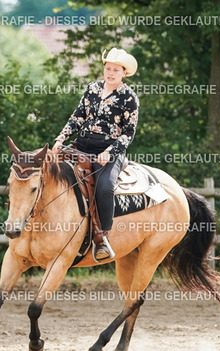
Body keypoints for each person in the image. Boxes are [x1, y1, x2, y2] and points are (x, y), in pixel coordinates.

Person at [53, 48, 139, 262]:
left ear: (124, 73)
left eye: (116, 70)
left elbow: (129, 133)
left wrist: (109, 152)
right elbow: (78, 117)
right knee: (53, 171)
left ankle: (102, 237)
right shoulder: (92, 88)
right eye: (108, 68)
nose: (110, 73)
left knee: (105, 186)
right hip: (82, 145)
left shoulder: (129, 98)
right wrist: (60, 139)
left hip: (110, 151)